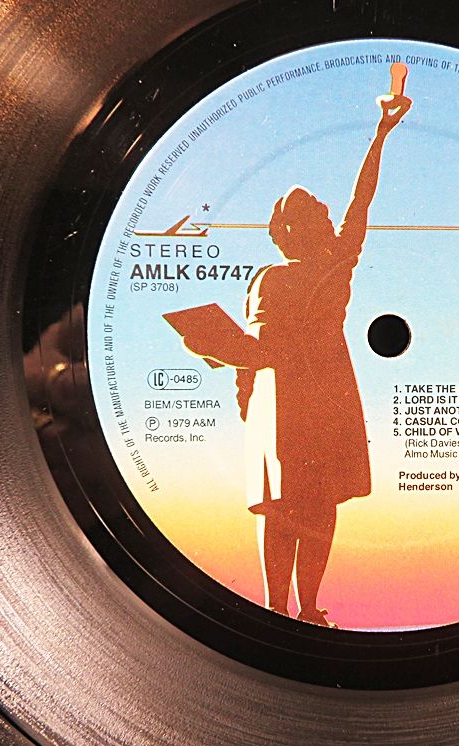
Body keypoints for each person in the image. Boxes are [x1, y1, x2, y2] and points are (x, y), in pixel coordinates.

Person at [170, 90, 412, 627]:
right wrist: (223, 362)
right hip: (283, 397)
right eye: (293, 223)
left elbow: (361, 202)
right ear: (285, 232)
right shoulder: (286, 273)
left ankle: (300, 608)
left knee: (304, 506)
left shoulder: (326, 265)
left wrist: (379, 136)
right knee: (288, 507)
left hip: (308, 394)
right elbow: (252, 350)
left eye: (304, 221)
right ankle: (284, 608)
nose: (297, 230)